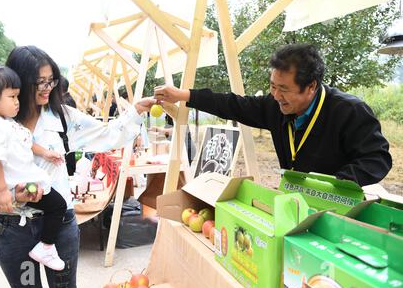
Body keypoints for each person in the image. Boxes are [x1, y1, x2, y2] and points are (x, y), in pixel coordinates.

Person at [0, 45, 156, 288]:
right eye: (39, 82)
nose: (48, 88)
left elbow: (108, 135)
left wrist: (136, 111)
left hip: (59, 225)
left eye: (51, 80)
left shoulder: (64, 118)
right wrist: (10, 194)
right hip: (11, 226)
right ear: (18, 81)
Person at [154, 43, 392, 186]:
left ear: (311, 86)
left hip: (339, 210)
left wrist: (336, 183)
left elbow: (378, 159)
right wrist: (184, 95)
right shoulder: (275, 106)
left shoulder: (349, 112)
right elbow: (233, 104)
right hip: (294, 203)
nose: (276, 95)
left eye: (285, 89)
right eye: (272, 86)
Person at [0, 64, 68, 271]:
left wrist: (44, 152)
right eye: (13, 97)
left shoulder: (0, 120)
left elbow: (24, 141)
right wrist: (2, 192)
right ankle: (46, 247)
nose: (18, 103)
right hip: (9, 179)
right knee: (58, 205)